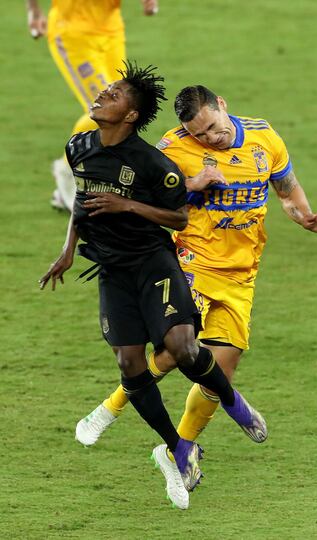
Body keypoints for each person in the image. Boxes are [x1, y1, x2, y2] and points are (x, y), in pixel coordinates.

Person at [74, 83, 317, 494]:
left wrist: (303, 216)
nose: (211, 139)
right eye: (200, 136)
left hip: (241, 272)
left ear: (222, 106)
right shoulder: (170, 148)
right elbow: (149, 202)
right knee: (174, 351)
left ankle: (178, 450)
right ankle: (109, 409)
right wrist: (194, 183)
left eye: (214, 129)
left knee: (221, 370)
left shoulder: (263, 136)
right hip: (190, 261)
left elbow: (286, 189)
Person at [39, 65, 269, 510]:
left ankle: (232, 401)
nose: (104, 93)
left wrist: (127, 204)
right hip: (111, 270)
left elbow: (178, 219)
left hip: (153, 264)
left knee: (183, 345)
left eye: (115, 93)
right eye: (108, 89)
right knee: (130, 365)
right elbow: (83, 202)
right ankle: (178, 448)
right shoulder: (78, 146)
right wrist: (68, 248)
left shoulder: (151, 163)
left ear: (130, 115)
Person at [26, 0, 159, 211]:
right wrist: (33, 10)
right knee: (108, 111)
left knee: (124, 106)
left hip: (110, 30)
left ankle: (69, 175)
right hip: (73, 33)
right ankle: (68, 171)